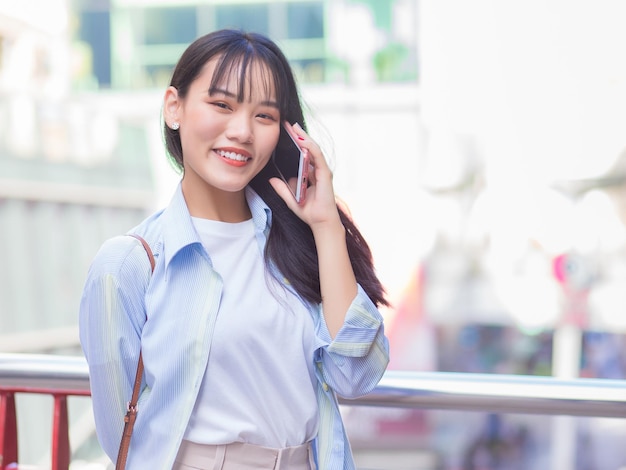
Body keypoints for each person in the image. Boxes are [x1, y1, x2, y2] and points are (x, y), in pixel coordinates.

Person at [79, 29, 389, 470]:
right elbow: (122, 435)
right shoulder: (129, 265)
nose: (242, 131)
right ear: (174, 107)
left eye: (264, 116)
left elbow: (356, 376)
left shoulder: (296, 243)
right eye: (222, 105)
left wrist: (326, 226)